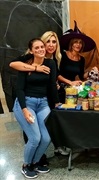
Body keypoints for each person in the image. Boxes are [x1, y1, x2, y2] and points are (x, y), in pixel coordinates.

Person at [10, 31, 71, 157]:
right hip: (28, 98)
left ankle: (39, 157)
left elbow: (53, 81)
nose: (50, 45)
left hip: (45, 99)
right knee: (33, 134)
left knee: (44, 134)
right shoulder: (28, 59)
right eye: (47, 41)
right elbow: (13, 65)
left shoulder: (54, 60)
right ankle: (31, 160)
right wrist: (35, 68)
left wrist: (56, 90)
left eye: (54, 42)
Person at [13, 38, 60, 178]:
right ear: (31, 50)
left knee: (46, 138)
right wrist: (24, 109)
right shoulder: (25, 65)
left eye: (42, 47)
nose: (40, 49)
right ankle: (26, 165)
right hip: (26, 103)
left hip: (43, 104)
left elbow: (52, 85)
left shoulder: (50, 63)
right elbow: (19, 89)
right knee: (35, 138)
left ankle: (35, 162)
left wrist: (57, 103)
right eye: (37, 48)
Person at [58, 20, 97, 103]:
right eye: (75, 42)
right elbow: (57, 75)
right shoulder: (62, 56)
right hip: (60, 89)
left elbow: (82, 76)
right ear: (71, 44)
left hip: (72, 91)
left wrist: (91, 70)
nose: (78, 45)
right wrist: (70, 82)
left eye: (80, 43)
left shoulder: (81, 59)